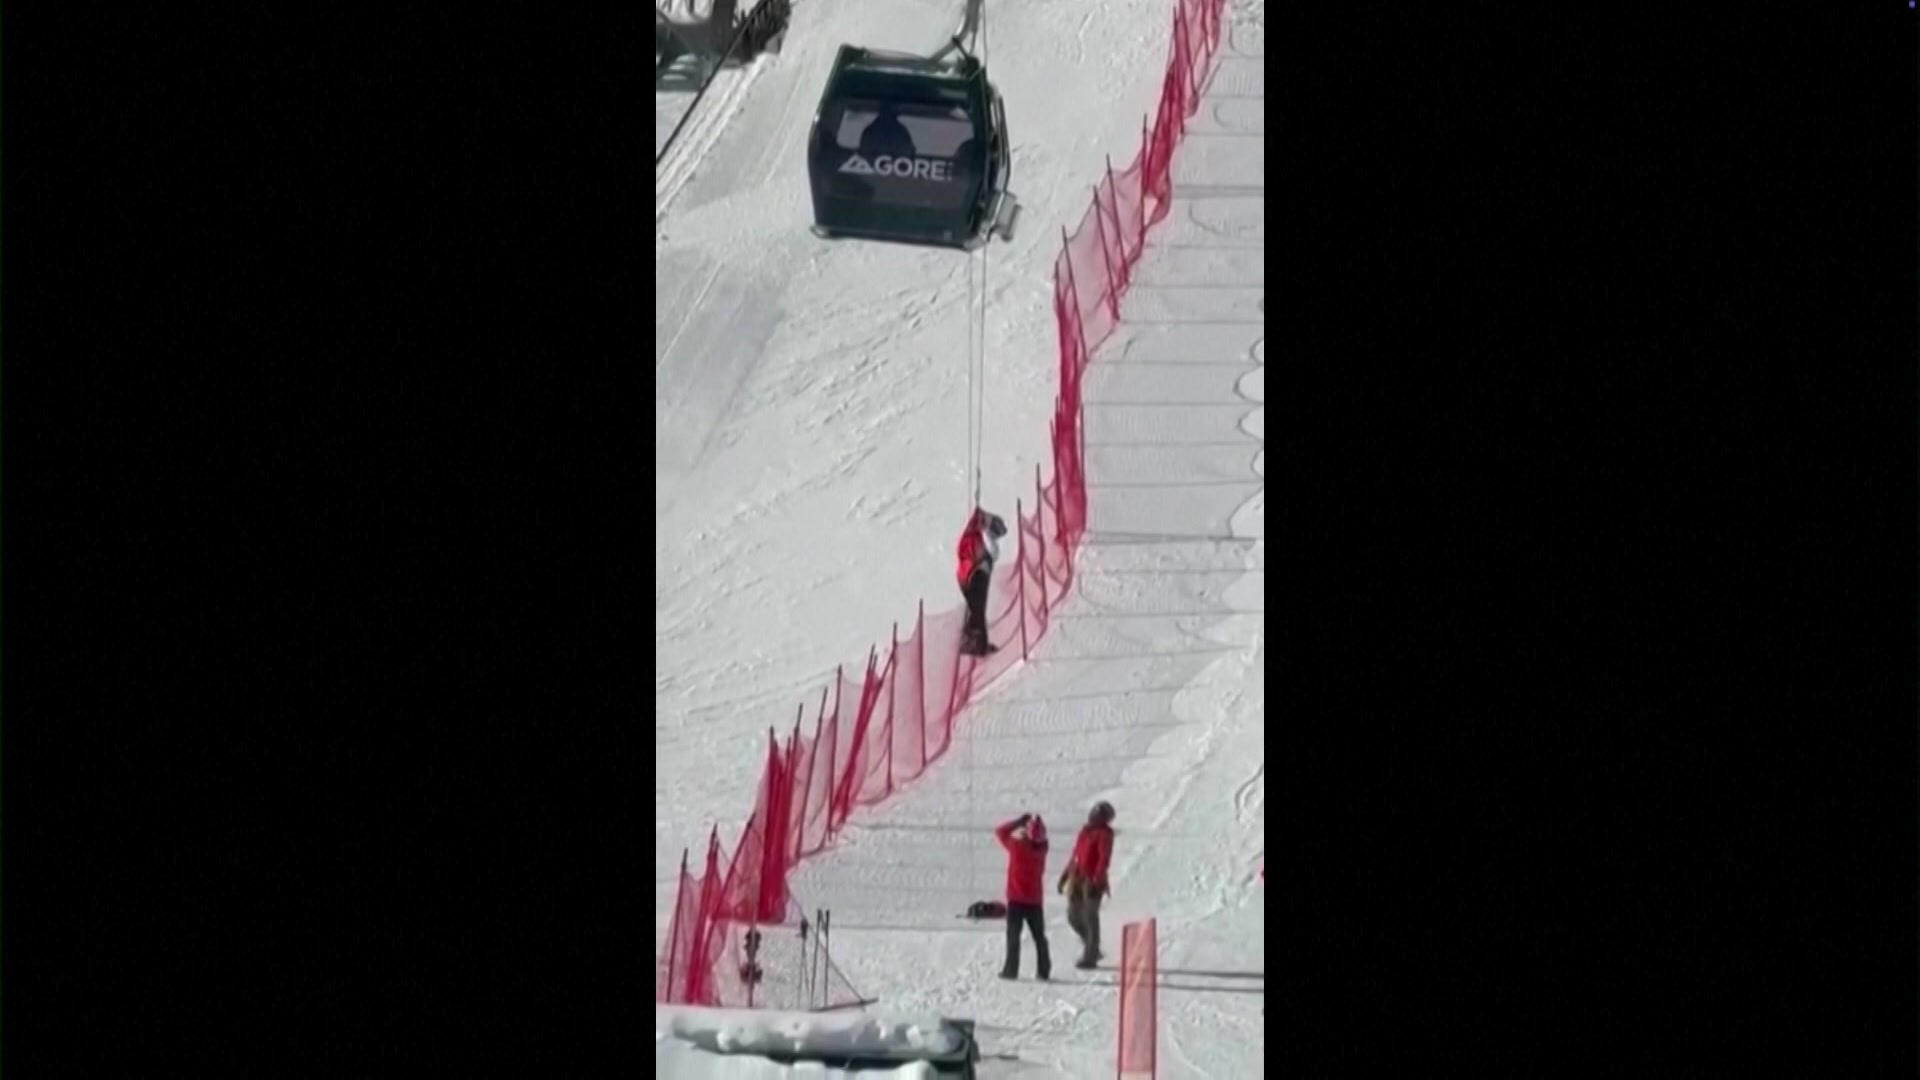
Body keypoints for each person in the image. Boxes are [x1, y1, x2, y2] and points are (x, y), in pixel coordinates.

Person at [993, 812, 1051, 981]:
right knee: (1040, 937)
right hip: (1035, 901)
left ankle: (1011, 970)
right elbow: (1042, 840)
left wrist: (1019, 821)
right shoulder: (1042, 850)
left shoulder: (1017, 847)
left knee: (1013, 938)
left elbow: (1000, 831)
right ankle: (1044, 970)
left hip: (1016, 900)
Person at [1059, 800, 1116, 969]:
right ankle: (1092, 946)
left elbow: (1103, 858)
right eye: (1094, 813)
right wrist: (1065, 875)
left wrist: (1097, 879)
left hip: (1092, 881)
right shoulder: (1084, 832)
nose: (1093, 816)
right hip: (1077, 877)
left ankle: (1090, 955)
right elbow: (1076, 855)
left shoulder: (1105, 834)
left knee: (1090, 917)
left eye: (1098, 814)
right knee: (1073, 916)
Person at [956, 508, 1008, 656]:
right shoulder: (980, 536)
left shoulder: (976, 533)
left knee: (977, 610)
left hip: (971, 574)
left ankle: (974, 642)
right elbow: (991, 551)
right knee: (977, 610)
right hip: (974, 575)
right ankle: (975, 645)